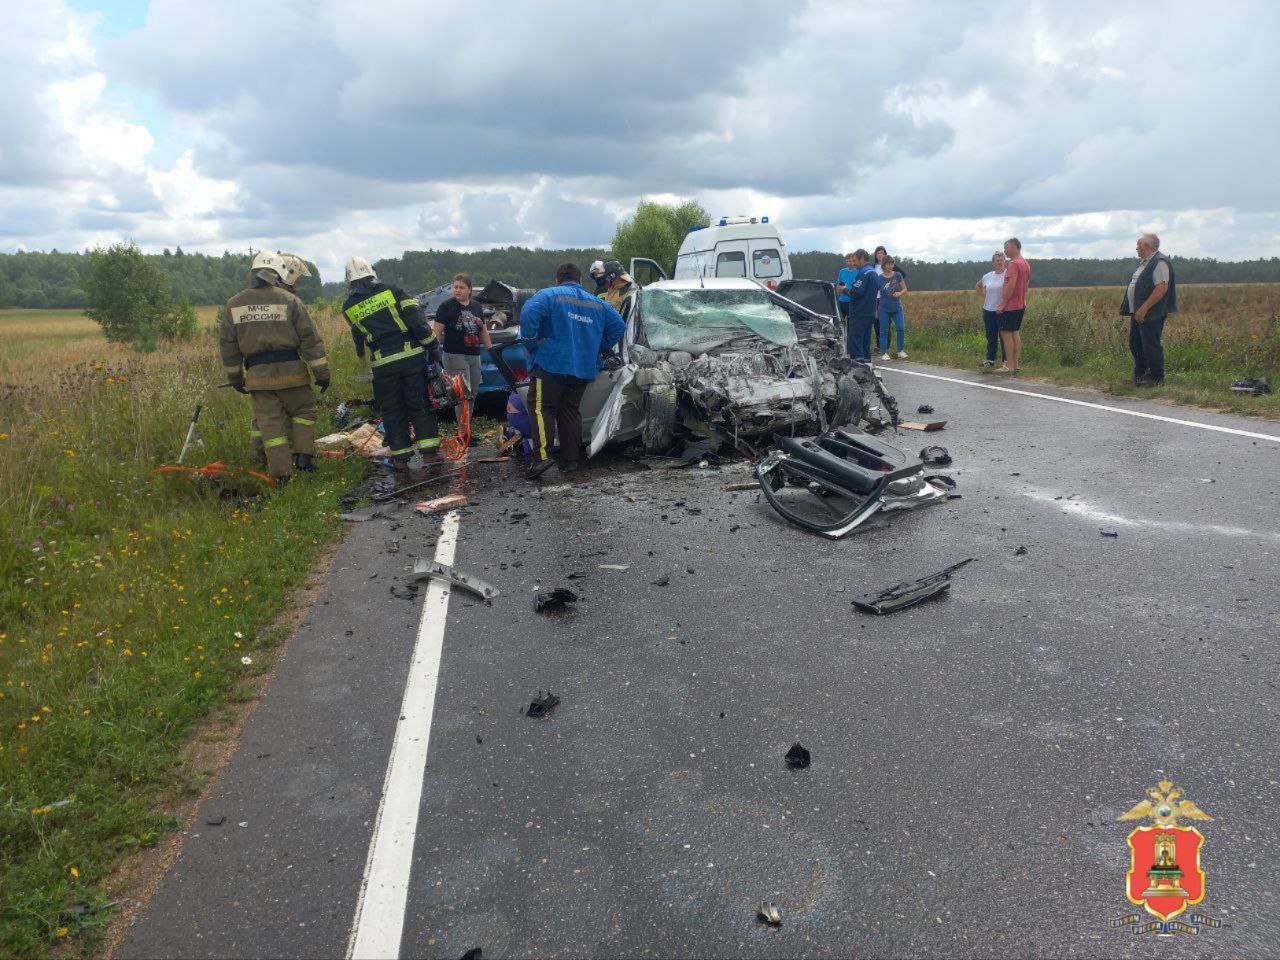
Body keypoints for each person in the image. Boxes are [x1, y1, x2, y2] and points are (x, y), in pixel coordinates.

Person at [219, 251, 330, 483]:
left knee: (270, 427)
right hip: (293, 374)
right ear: (279, 273)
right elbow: (309, 339)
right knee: (303, 412)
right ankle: (303, 458)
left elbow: (229, 348)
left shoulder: (233, 305)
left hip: (258, 379)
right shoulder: (290, 301)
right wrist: (321, 373)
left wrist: (235, 378)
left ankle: (281, 477)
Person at [518, 262, 626, 479]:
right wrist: (600, 349)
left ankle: (542, 459)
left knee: (542, 409)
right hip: (583, 369)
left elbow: (528, 313)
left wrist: (530, 344)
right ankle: (571, 461)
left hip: (550, 364)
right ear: (580, 281)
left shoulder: (548, 295)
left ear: (558, 280)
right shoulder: (598, 304)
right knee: (570, 411)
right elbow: (619, 326)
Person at [341, 256, 441, 471]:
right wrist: (431, 343)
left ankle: (401, 460)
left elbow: (358, 337)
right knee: (419, 404)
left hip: (382, 365)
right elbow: (415, 320)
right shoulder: (393, 291)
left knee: (393, 410)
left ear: (349, 279)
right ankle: (430, 456)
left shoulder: (348, 306)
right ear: (371, 272)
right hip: (410, 358)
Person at [1120, 232, 1178, 386]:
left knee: (1150, 344)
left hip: (1151, 313)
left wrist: (1144, 308)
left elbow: (1161, 288)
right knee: (1136, 344)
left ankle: (1157, 378)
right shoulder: (1146, 262)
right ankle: (1141, 375)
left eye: (1139, 244)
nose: (1136, 247)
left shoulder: (1159, 262)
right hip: (1139, 312)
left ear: (1147, 246)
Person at [433, 273, 493, 401]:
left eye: (461, 287)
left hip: (474, 355)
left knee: (473, 393)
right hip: (454, 355)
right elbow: (437, 332)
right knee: (463, 395)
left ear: (470, 289)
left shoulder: (476, 306)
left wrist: (492, 351)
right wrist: (434, 355)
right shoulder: (446, 307)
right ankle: (462, 422)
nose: (457, 290)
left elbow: (483, 331)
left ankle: (467, 421)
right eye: (455, 287)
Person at [996, 237, 1031, 373]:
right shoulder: (1025, 263)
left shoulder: (1014, 264)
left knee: (1006, 334)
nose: (1005, 251)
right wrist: (1024, 300)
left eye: (1006, 248)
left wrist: (1003, 304)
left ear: (1014, 247)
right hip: (1020, 304)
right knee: (1015, 333)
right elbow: (1025, 286)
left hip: (1010, 305)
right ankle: (1015, 365)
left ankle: (1009, 366)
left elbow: (1011, 286)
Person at [842, 249, 879, 361]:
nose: (853, 263)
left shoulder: (863, 273)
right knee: (865, 342)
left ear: (862, 258)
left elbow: (856, 292)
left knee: (856, 342)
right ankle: (867, 365)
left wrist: (845, 290)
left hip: (859, 312)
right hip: (869, 312)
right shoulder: (873, 272)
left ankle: (857, 368)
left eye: (855, 260)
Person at [974, 251, 1008, 368]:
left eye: (1001, 260)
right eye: (997, 260)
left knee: (1004, 336)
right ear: (993, 263)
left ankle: (1006, 361)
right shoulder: (988, 276)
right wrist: (984, 296)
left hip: (1003, 310)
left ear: (1005, 261)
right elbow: (978, 286)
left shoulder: (1008, 274)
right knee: (991, 335)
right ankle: (990, 360)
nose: (999, 262)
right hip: (988, 309)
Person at [876, 255, 908, 360]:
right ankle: (884, 352)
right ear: (883, 265)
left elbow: (905, 289)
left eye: (892, 264)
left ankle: (900, 351)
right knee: (884, 330)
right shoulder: (879, 278)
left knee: (901, 328)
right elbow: (875, 294)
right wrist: (875, 309)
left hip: (897, 308)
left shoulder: (897, 275)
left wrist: (899, 293)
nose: (890, 266)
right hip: (883, 308)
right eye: (888, 264)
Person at [870, 245, 888, 348]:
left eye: (882, 253)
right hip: (874, 297)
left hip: (885, 297)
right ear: (876, 255)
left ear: (885, 254)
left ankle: (886, 345)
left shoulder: (888, 266)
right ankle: (878, 344)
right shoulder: (873, 267)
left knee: (886, 322)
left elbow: (901, 275)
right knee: (876, 321)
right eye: (878, 253)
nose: (880, 255)